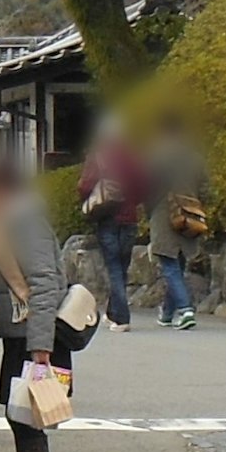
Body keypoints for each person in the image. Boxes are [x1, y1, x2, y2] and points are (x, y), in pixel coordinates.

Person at [0, 148, 75, 452]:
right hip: (24, 334)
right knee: (20, 413)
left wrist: (40, 348)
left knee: (28, 416)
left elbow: (45, 282)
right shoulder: (9, 221)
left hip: (37, 337)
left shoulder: (25, 221)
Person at [76, 118, 150, 328]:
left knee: (113, 268)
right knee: (121, 267)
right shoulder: (132, 156)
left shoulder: (98, 155)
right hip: (129, 219)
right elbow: (144, 184)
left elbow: (84, 186)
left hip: (107, 217)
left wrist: (90, 198)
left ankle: (122, 318)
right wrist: (132, 202)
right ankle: (112, 311)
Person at [150, 118, 213, 331]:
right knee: (179, 263)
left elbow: (146, 187)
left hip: (163, 214)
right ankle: (167, 313)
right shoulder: (196, 158)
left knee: (169, 264)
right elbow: (206, 190)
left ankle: (185, 309)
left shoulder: (156, 157)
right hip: (191, 214)